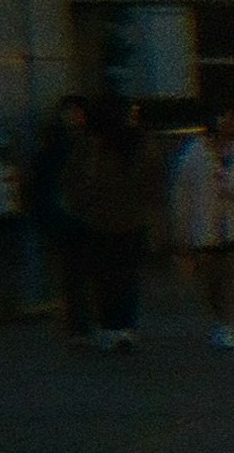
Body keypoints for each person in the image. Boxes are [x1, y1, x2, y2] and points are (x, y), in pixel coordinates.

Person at [168, 103, 234, 349]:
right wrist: (182, 230)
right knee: (212, 278)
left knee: (232, 274)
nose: (227, 122)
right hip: (205, 225)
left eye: (232, 117)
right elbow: (182, 191)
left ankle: (228, 326)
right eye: (222, 116)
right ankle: (219, 321)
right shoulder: (195, 151)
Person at [60, 97, 159, 353]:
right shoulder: (139, 143)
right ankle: (124, 327)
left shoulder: (90, 145)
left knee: (103, 276)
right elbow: (151, 179)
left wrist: (80, 205)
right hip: (132, 219)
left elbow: (76, 181)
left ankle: (108, 327)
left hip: (98, 220)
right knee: (126, 275)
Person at [30, 94, 94, 342]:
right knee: (74, 273)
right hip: (70, 217)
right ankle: (79, 323)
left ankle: (81, 322)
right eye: (70, 112)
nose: (73, 117)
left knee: (78, 272)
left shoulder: (63, 144)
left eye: (77, 112)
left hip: (77, 216)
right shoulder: (60, 146)